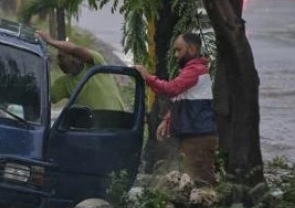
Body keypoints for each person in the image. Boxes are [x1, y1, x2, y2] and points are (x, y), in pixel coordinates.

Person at [134, 32, 218, 185]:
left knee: (201, 181)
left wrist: (147, 76)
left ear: (192, 49)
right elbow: (181, 98)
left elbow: (171, 89)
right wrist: (167, 120)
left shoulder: (195, 70)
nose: (175, 55)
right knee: (192, 178)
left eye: (179, 50)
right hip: (193, 135)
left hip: (198, 136)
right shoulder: (191, 71)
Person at [36, 30, 125, 111]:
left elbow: (74, 49)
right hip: (94, 128)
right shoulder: (64, 83)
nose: (58, 63)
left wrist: (51, 42)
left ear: (73, 56)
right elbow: (42, 98)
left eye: (61, 58)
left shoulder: (96, 63)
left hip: (119, 124)